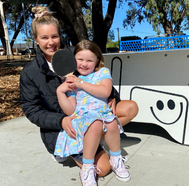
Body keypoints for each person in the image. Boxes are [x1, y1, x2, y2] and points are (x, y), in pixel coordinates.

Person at [19, 5, 138, 179]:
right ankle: (69, 151)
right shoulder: (30, 72)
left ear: (60, 36)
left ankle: (97, 139)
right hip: (63, 126)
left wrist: (112, 96)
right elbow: (32, 110)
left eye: (54, 36)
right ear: (36, 39)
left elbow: (98, 74)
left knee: (129, 108)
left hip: (90, 112)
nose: (50, 42)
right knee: (103, 169)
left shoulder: (76, 54)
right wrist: (61, 120)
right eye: (44, 38)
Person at [55, 39, 130, 185]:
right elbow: (70, 109)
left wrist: (81, 84)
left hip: (102, 115)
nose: (84, 63)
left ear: (97, 61)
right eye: (80, 59)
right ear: (73, 60)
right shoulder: (72, 80)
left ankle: (116, 158)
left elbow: (105, 91)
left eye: (89, 60)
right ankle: (87, 167)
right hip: (82, 119)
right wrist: (60, 92)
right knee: (95, 123)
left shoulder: (102, 73)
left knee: (112, 122)